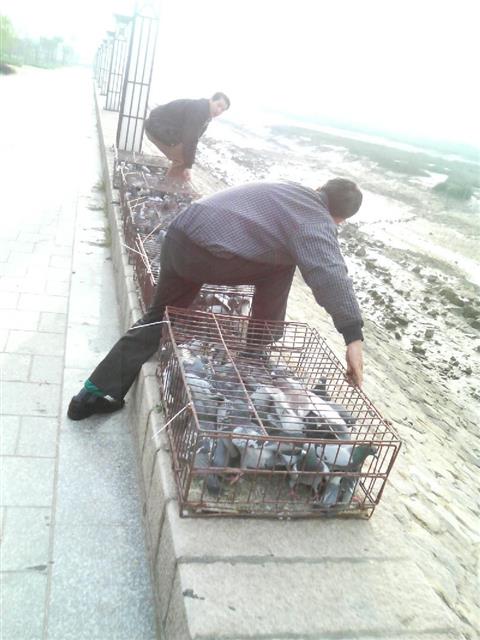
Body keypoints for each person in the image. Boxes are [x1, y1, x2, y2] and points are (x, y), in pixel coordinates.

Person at [68, 178, 364, 421]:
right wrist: (353, 336)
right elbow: (329, 272)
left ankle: (90, 395)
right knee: (283, 266)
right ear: (339, 219)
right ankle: (256, 350)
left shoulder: (291, 189)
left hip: (179, 237)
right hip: (206, 255)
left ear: (321, 188)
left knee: (159, 317)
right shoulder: (315, 219)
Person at [143, 92, 230, 186]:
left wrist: (188, 165)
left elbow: (193, 138)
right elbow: (191, 139)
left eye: (222, 110)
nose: (219, 111)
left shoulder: (205, 112)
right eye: (218, 105)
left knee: (185, 157)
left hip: (161, 128)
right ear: (211, 100)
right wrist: (189, 165)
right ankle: (166, 187)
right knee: (182, 160)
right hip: (155, 127)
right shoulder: (199, 110)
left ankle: (178, 181)